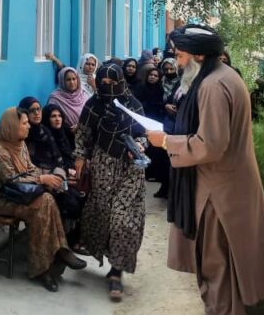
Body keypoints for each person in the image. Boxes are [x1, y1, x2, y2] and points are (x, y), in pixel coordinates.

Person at [146, 24, 264, 314]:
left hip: (218, 196)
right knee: (223, 272)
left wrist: (165, 141)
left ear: (199, 56)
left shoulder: (213, 86)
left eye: (180, 56)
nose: (178, 63)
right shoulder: (224, 76)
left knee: (217, 273)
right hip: (226, 189)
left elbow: (211, 145)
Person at [0, 107, 86, 292]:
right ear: (11, 126)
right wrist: (41, 179)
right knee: (43, 205)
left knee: (47, 199)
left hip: (22, 194)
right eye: (24, 123)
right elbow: (11, 179)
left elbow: (31, 169)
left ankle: (49, 260)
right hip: (2, 197)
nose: (29, 126)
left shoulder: (20, 144)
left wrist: (50, 177)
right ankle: (48, 262)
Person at [74, 62, 148, 301]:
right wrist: (80, 158)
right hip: (102, 167)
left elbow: (144, 134)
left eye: (112, 83)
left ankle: (117, 272)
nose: (107, 88)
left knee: (123, 220)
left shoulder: (134, 106)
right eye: (103, 83)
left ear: (120, 82)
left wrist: (139, 146)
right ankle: (108, 260)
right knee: (103, 216)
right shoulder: (93, 105)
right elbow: (82, 134)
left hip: (130, 170)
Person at [19, 97, 83, 234]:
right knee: (69, 202)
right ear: (24, 113)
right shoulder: (23, 138)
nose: (37, 113)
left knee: (78, 197)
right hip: (36, 182)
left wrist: (60, 177)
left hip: (54, 177)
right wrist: (50, 179)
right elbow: (26, 168)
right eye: (32, 110)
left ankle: (68, 238)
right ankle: (60, 239)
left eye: (38, 109)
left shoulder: (44, 131)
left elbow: (58, 159)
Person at [134, 67, 169, 199]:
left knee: (156, 151)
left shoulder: (160, 90)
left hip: (156, 123)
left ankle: (155, 173)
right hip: (142, 122)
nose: (153, 77)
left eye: (156, 75)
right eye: (151, 75)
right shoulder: (141, 88)